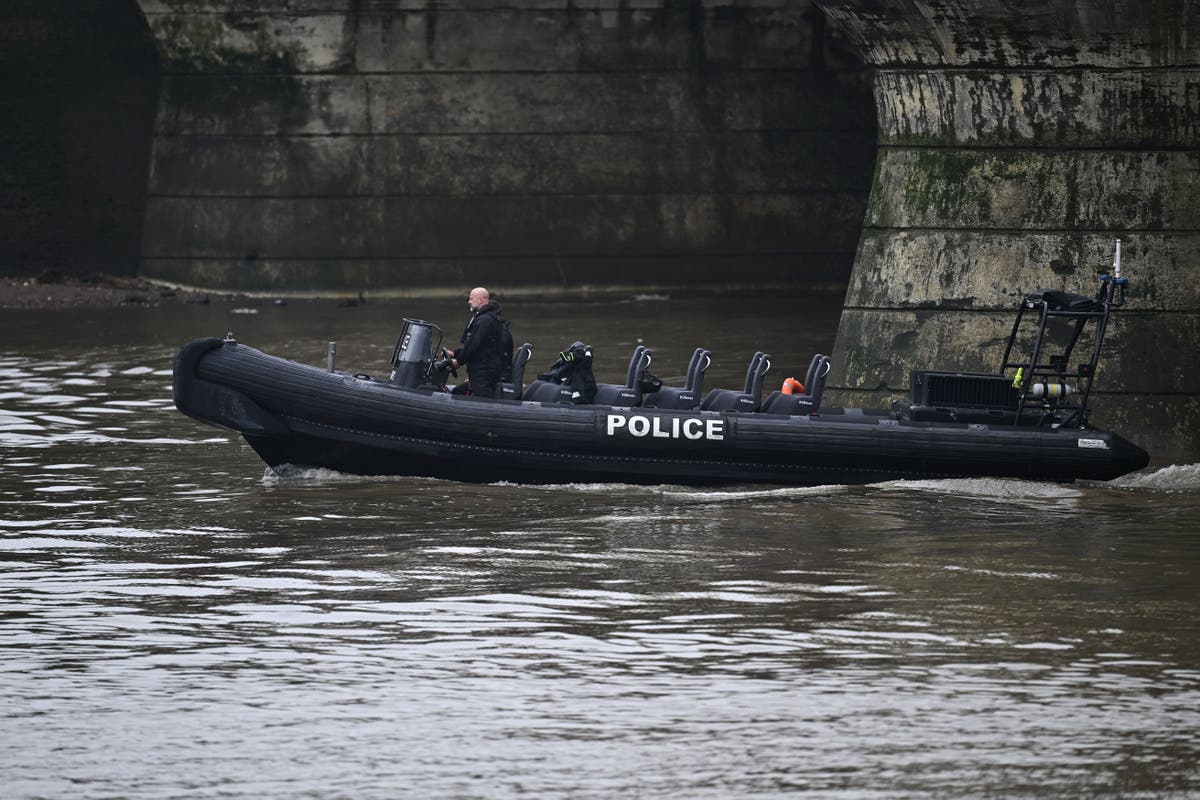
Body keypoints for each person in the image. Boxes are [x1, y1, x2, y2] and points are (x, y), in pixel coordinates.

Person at [446, 287, 506, 399]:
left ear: (480, 300)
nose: (469, 302)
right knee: (457, 392)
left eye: (471, 299)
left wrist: (458, 361)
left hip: (484, 372)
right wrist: (455, 353)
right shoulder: (483, 318)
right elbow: (475, 346)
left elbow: (473, 346)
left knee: (483, 399)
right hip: (480, 370)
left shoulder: (485, 320)